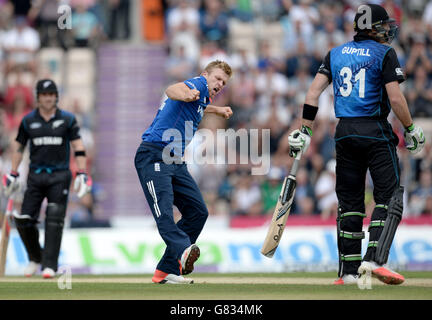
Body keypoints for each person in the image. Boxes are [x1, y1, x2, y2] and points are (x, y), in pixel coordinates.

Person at [287, 4, 425, 285]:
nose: (388, 30)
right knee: (389, 196)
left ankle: (347, 272)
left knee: (350, 203)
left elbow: (312, 93)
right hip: (374, 129)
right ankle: (374, 260)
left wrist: (304, 131)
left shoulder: (334, 53)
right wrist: (410, 128)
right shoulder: (385, 53)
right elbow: (396, 99)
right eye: (384, 26)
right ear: (373, 28)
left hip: (345, 132)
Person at [135, 60, 233, 284]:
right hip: (153, 155)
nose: (220, 84)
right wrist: (186, 94)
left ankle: (166, 270)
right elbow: (171, 90)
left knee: (198, 212)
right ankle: (182, 250)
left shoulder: (202, 98)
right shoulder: (196, 85)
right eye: (217, 78)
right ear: (205, 74)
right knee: (165, 212)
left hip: (174, 160)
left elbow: (198, 104)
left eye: (224, 83)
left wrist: (216, 109)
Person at [2, 79, 92, 278]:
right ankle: (36, 258)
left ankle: (50, 265)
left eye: (52, 94)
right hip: (35, 176)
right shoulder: (28, 121)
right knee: (24, 219)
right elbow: (19, 147)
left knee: (54, 218)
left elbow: (78, 146)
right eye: (45, 95)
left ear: (56, 97)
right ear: (38, 97)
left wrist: (83, 173)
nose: (49, 98)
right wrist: (13, 173)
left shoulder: (67, 119)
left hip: (60, 176)